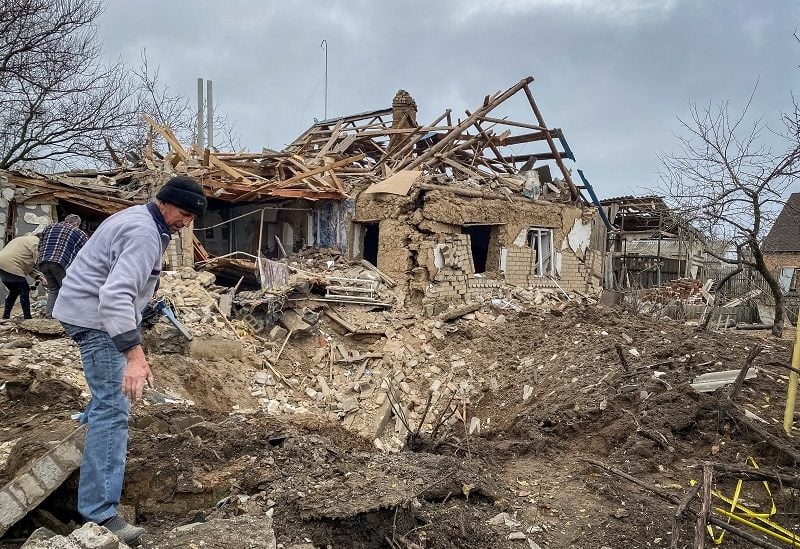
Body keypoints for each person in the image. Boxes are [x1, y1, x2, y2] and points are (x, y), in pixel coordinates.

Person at [53, 176, 206, 544]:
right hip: (95, 319)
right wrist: (135, 355)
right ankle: (100, 513)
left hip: (83, 310)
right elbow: (115, 296)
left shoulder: (139, 219)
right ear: (165, 203)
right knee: (113, 405)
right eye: (183, 213)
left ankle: (83, 452)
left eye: (191, 218)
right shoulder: (142, 232)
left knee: (106, 395)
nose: (186, 222)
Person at [36, 214, 89, 316]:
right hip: (60, 263)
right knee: (68, 289)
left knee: (53, 289)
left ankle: (50, 314)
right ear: (77, 223)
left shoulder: (49, 227)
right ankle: (70, 316)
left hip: (43, 261)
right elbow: (88, 251)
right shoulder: (78, 232)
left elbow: (40, 245)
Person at [0, 232, 43, 320]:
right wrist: (46, 273)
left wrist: (39, 277)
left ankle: (6, 316)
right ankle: (27, 317)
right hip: (12, 264)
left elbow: (26, 264)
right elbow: (38, 261)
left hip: (2, 262)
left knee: (14, 291)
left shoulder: (22, 240)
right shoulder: (36, 242)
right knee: (24, 289)